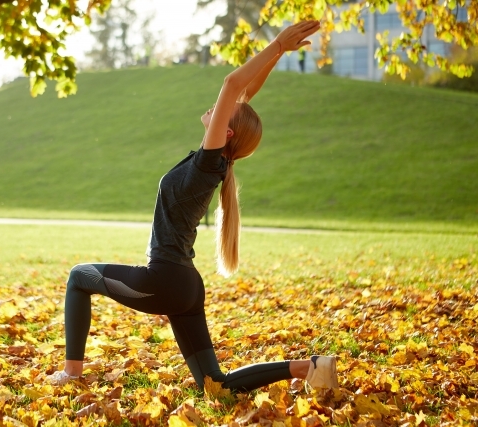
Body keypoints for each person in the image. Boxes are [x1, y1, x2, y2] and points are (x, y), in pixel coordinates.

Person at [48, 20, 338, 393]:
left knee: (78, 277)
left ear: (226, 133)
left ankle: (71, 372)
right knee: (214, 384)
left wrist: (278, 46)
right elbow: (243, 95)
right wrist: (273, 58)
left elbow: (233, 85)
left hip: (166, 280)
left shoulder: (209, 163)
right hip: (185, 284)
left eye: (224, 111)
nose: (221, 106)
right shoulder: (214, 163)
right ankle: (310, 367)